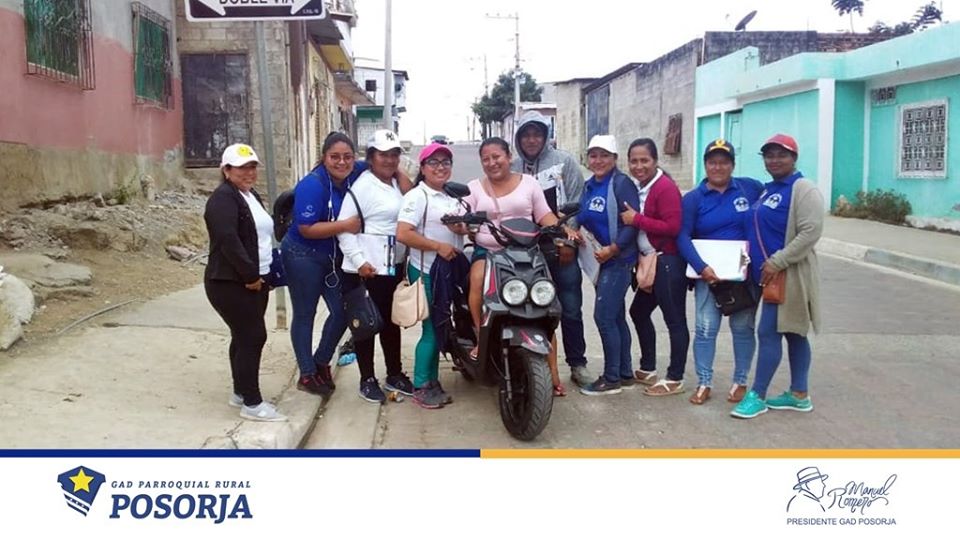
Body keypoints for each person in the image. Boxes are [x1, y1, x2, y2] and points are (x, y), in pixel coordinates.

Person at [464, 137, 574, 396]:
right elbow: (463, 218)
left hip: (526, 253)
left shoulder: (529, 183)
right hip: (488, 252)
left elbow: (544, 214)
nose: (492, 163)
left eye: (497, 157)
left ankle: (553, 372)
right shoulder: (474, 188)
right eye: (486, 159)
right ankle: (481, 338)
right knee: (477, 281)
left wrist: (561, 229)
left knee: (543, 305)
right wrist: (462, 225)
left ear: (509, 156)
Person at [731, 134, 823, 419]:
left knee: (769, 332)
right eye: (769, 155)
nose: (774, 160)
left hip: (788, 274)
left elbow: (810, 232)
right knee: (794, 333)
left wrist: (778, 261)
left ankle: (757, 395)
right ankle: (799, 394)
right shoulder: (768, 190)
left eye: (781, 155)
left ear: (794, 158)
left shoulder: (803, 189)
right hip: (767, 275)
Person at [678, 139, 764, 405]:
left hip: (742, 275)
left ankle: (741, 381)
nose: (718, 167)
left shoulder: (750, 188)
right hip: (709, 276)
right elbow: (682, 236)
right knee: (705, 329)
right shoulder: (693, 199)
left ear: (732, 165)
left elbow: (770, 209)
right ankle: (704, 382)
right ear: (705, 165)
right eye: (712, 162)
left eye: (724, 162)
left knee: (743, 328)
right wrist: (701, 268)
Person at [203, 143, 285, 422]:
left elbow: (258, 235)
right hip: (231, 282)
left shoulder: (250, 195)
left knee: (242, 336)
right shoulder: (222, 200)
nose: (249, 172)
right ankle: (252, 403)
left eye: (252, 167)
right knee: (253, 336)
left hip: (256, 280)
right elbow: (228, 241)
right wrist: (250, 276)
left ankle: (240, 391)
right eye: (241, 168)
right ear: (226, 170)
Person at [281, 132, 365, 397]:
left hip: (332, 258)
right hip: (302, 254)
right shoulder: (312, 185)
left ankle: (321, 360)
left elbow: (384, 164)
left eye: (347, 157)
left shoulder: (354, 172)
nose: (342, 162)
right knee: (305, 313)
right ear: (324, 158)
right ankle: (307, 374)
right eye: (334, 157)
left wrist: (397, 170)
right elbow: (306, 228)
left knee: (342, 311)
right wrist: (345, 225)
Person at [512, 112, 591, 388]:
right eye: (526, 134)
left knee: (570, 308)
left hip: (560, 248)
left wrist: (567, 241)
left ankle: (577, 364)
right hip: (524, 249)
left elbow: (577, 202)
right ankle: (530, 366)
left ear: (546, 136)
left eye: (537, 134)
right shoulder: (513, 167)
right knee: (526, 307)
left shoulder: (564, 162)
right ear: (518, 138)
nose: (531, 140)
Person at [337, 129, 414, 404]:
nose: (389, 160)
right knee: (366, 325)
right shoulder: (363, 188)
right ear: (370, 158)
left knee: (390, 323)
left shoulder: (394, 183)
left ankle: (394, 373)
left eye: (394, 155)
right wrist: (360, 262)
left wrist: (398, 173)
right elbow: (344, 229)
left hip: (390, 266)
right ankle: (367, 379)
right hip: (367, 270)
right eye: (383, 155)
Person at [619, 138, 690, 397]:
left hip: (667, 262)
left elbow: (673, 227)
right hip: (650, 261)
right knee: (638, 312)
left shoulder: (664, 188)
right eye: (634, 161)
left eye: (644, 160)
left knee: (675, 320)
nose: (639, 166)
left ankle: (675, 377)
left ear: (655, 161)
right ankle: (648, 367)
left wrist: (637, 219)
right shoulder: (640, 186)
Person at [395, 143, 464, 409]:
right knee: (432, 330)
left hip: (446, 273)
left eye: (445, 162)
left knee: (440, 327)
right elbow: (403, 233)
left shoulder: (450, 196)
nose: (440, 167)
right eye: (433, 162)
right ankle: (421, 385)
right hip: (426, 271)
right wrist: (438, 246)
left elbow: (460, 230)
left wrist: (462, 229)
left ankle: (432, 381)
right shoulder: (417, 196)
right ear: (423, 168)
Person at [576, 135, 641, 396]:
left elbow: (632, 224)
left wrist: (613, 249)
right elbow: (582, 215)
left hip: (617, 261)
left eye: (604, 155)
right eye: (594, 155)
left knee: (603, 317)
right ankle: (625, 373)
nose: (598, 161)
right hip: (599, 261)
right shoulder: (590, 185)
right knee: (615, 317)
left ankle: (611, 377)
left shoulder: (622, 184)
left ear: (614, 158)